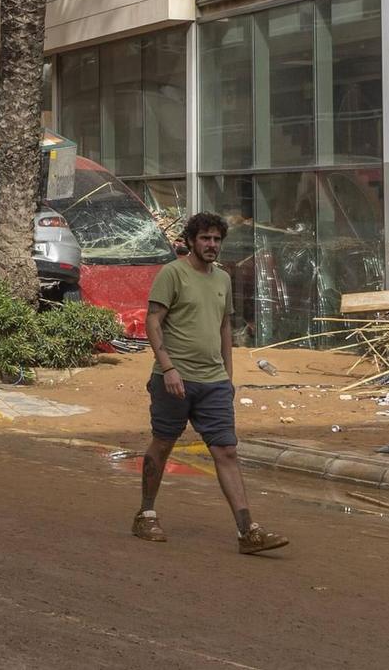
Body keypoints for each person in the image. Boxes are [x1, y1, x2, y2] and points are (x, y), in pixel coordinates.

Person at [136, 212, 287, 555]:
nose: (211, 245)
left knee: (227, 451)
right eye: (205, 238)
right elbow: (153, 323)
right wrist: (169, 368)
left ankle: (248, 530)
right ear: (191, 241)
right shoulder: (172, 274)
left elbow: (224, 328)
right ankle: (146, 513)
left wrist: (229, 379)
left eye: (217, 239)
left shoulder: (222, 279)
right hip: (174, 379)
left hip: (213, 381)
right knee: (163, 444)